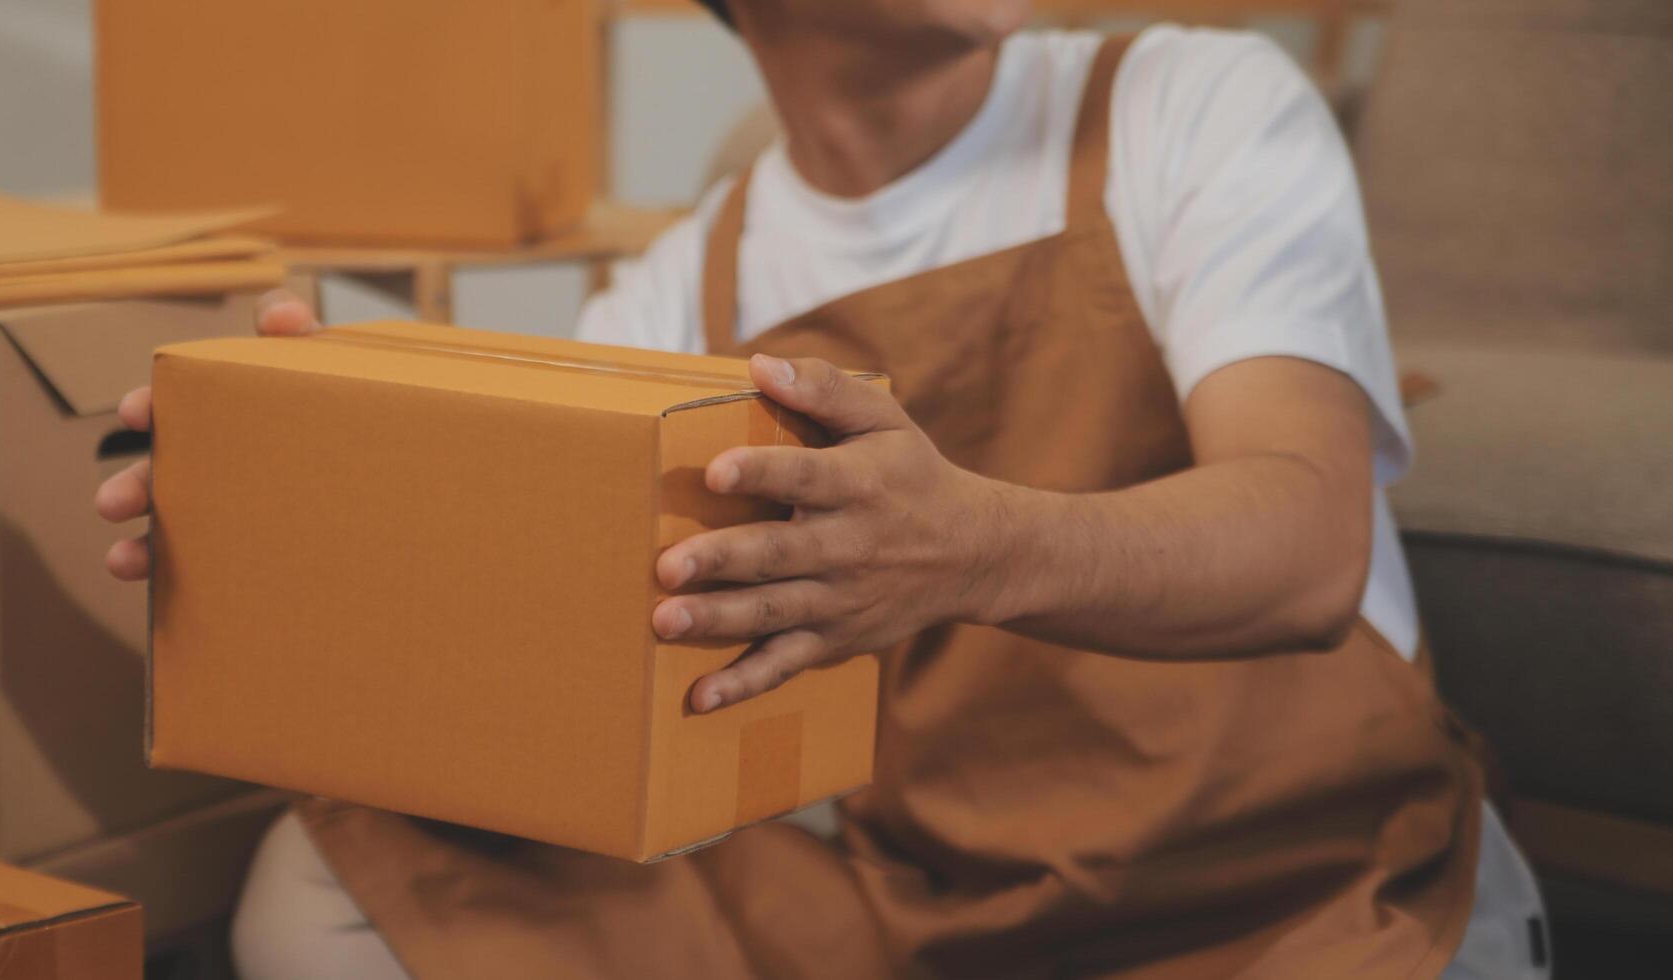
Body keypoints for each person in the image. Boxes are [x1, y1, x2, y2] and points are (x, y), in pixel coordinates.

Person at [97, 2, 1549, 977]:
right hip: (927, 911)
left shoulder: (1189, 101)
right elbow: (514, 637)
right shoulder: (686, 281)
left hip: (1303, 896)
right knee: (321, 876)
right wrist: (284, 513)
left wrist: (974, 545)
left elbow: (1303, 544)